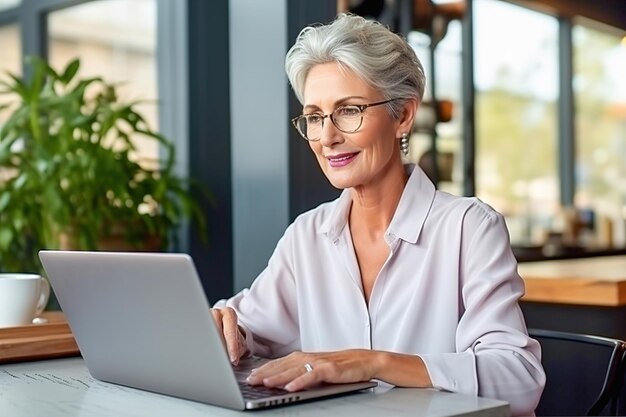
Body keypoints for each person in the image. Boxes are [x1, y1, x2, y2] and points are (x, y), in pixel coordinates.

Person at [212, 13, 545, 416]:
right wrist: (227, 329)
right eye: (315, 117)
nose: (328, 137)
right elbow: (248, 326)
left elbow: (520, 377)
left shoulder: (468, 228)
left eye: (349, 111)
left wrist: (372, 362)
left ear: (403, 115)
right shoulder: (307, 236)